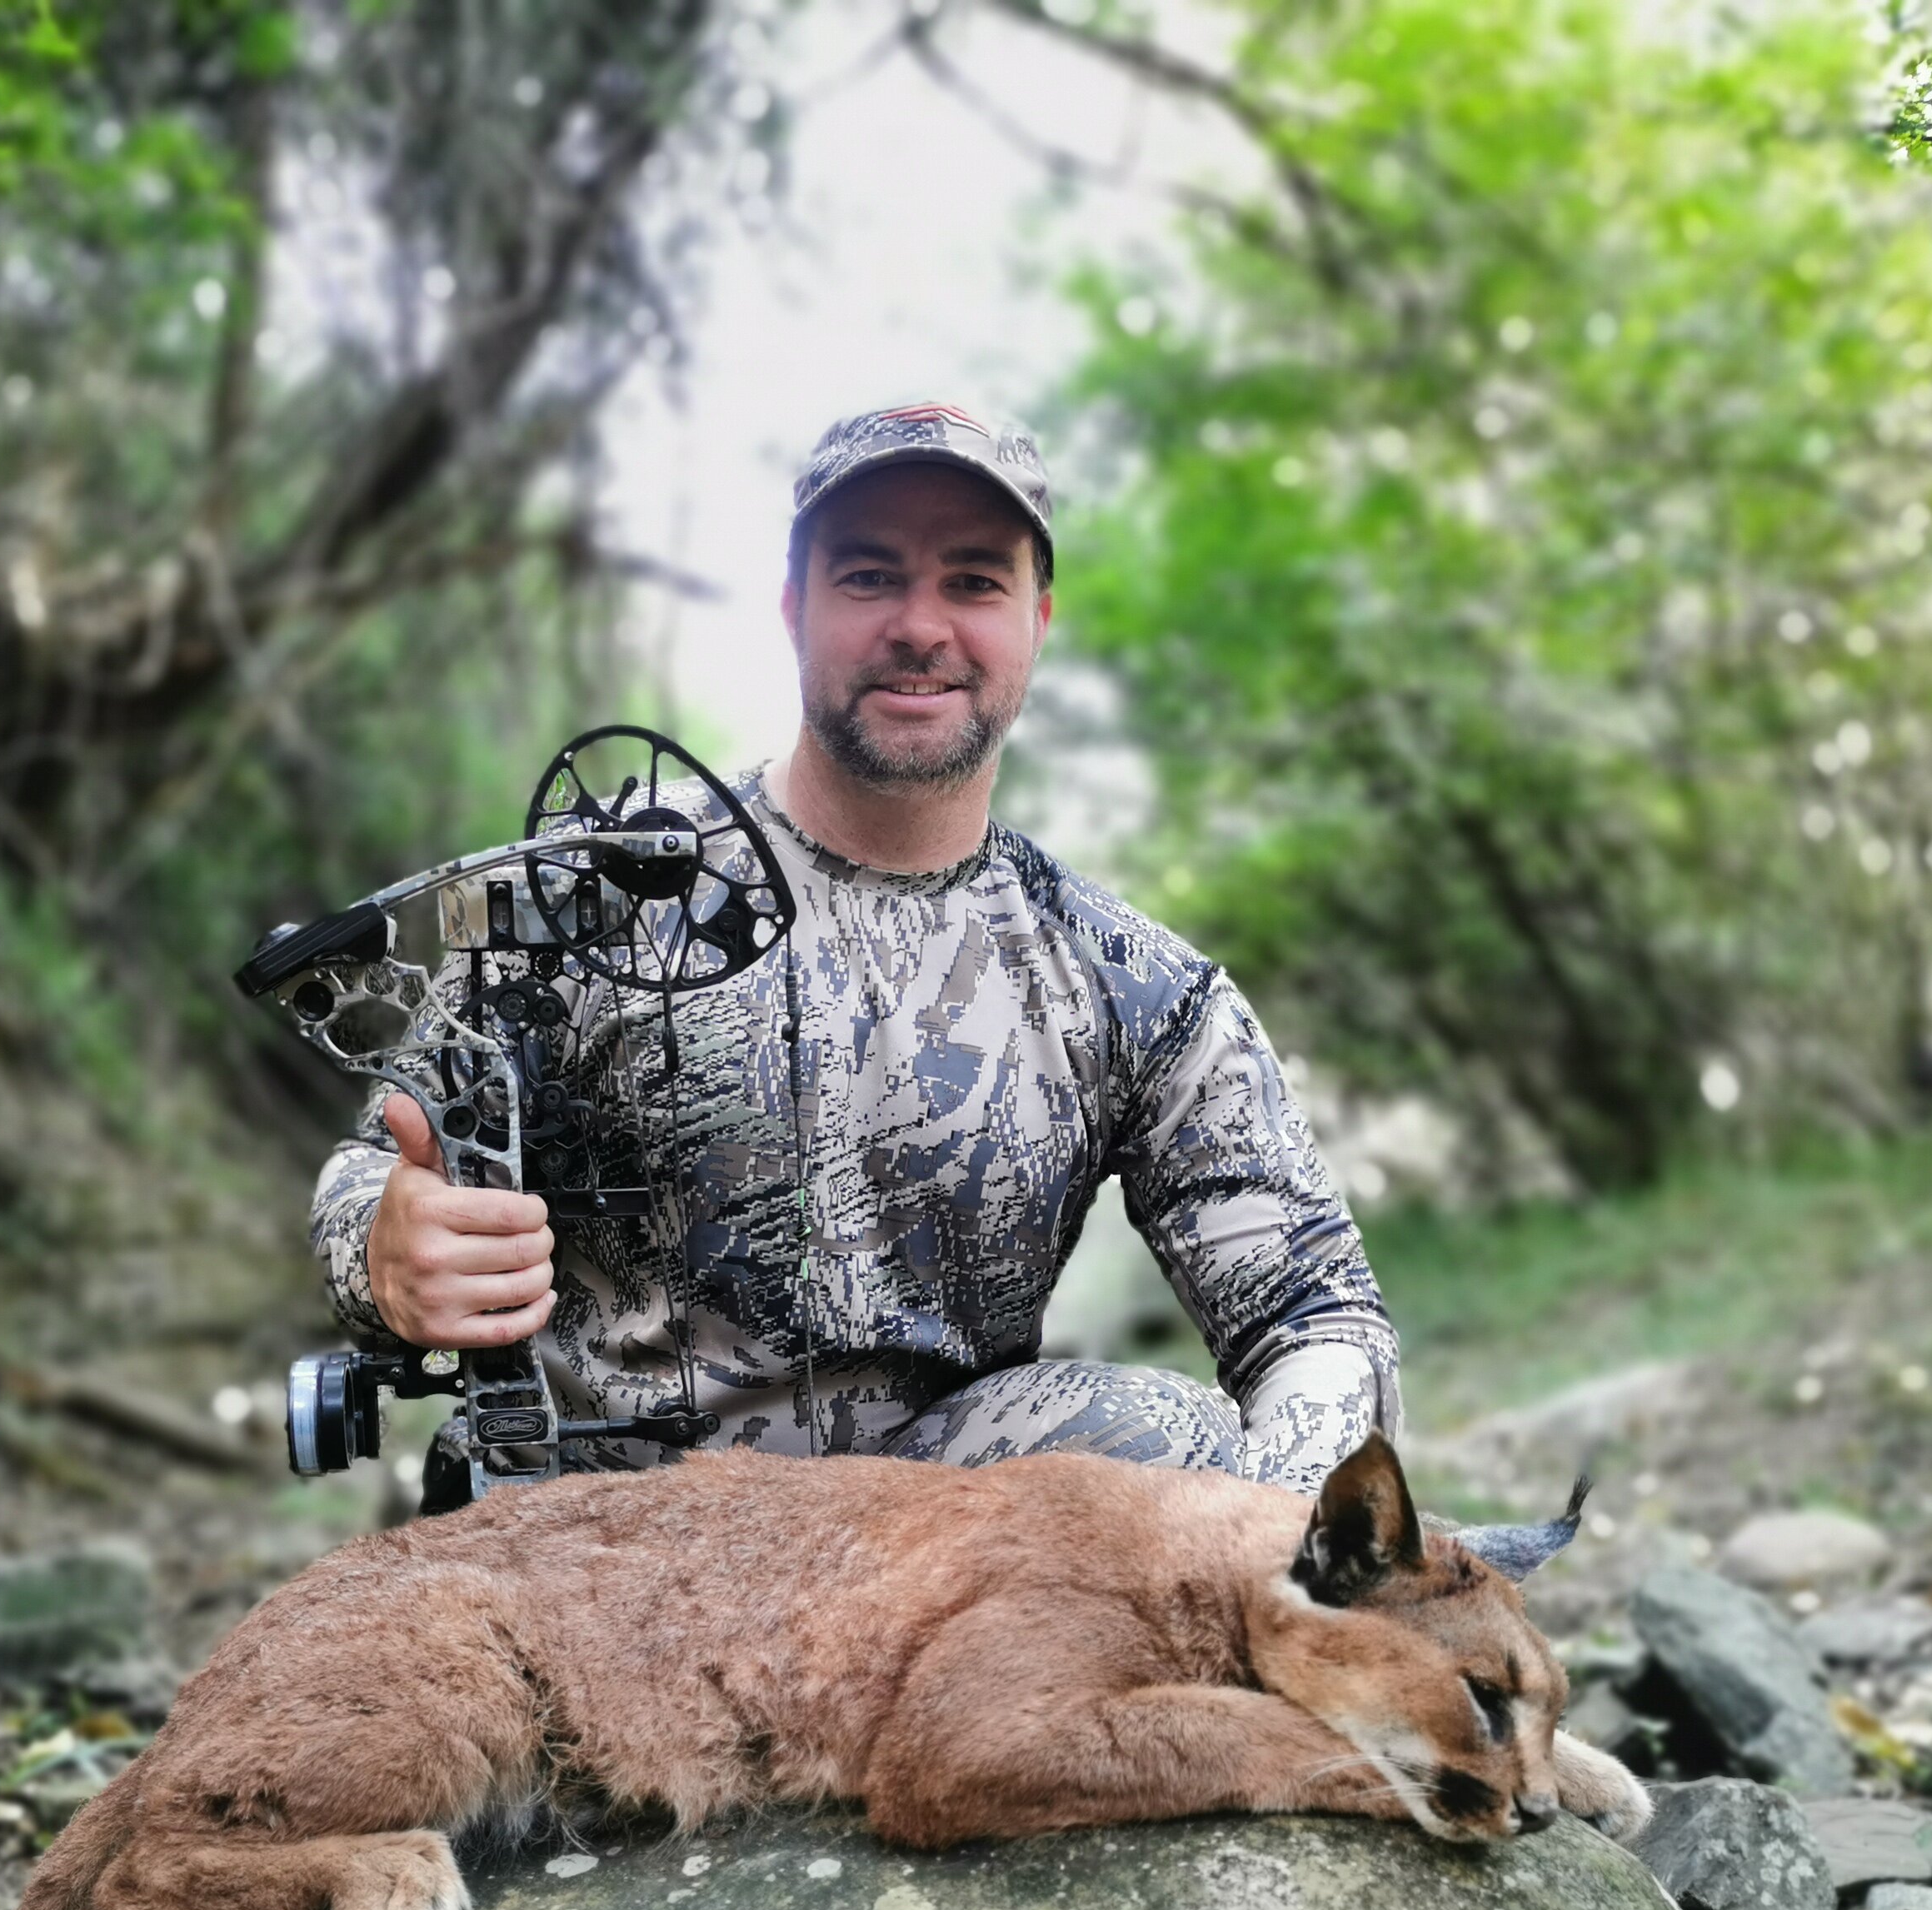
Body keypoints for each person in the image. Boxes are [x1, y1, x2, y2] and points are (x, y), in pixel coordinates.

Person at [311, 401, 1400, 1505]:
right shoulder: (589, 895)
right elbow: (375, 1169)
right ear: (793, 610)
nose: (921, 627)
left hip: (924, 1584)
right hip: (606, 1549)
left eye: (974, 581)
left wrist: (1290, 1525)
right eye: (870, 577)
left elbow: (1315, 1314)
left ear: (1040, 621)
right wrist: (384, 1250)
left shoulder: (1129, 989)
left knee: (1170, 1440)